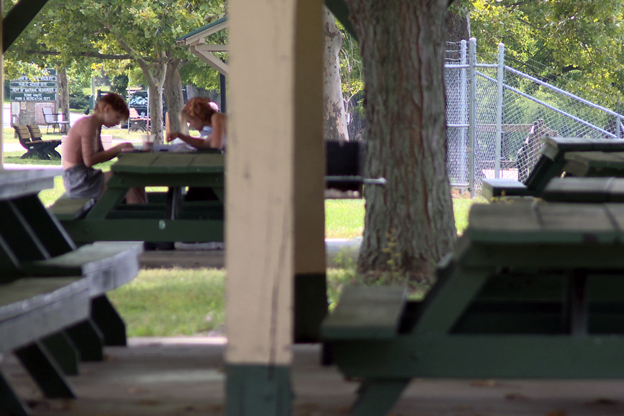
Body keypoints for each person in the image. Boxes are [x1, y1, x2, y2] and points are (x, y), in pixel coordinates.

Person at [61, 93, 147, 204]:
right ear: (107, 109)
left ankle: (144, 211)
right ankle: (138, 218)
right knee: (128, 179)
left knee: (135, 178)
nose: (117, 123)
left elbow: (101, 155)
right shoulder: (88, 124)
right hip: (78, 181)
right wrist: (118, 149)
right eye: (117, 117)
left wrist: (121, 151)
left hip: (84, 177)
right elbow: (90, 160)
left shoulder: (96, 125)